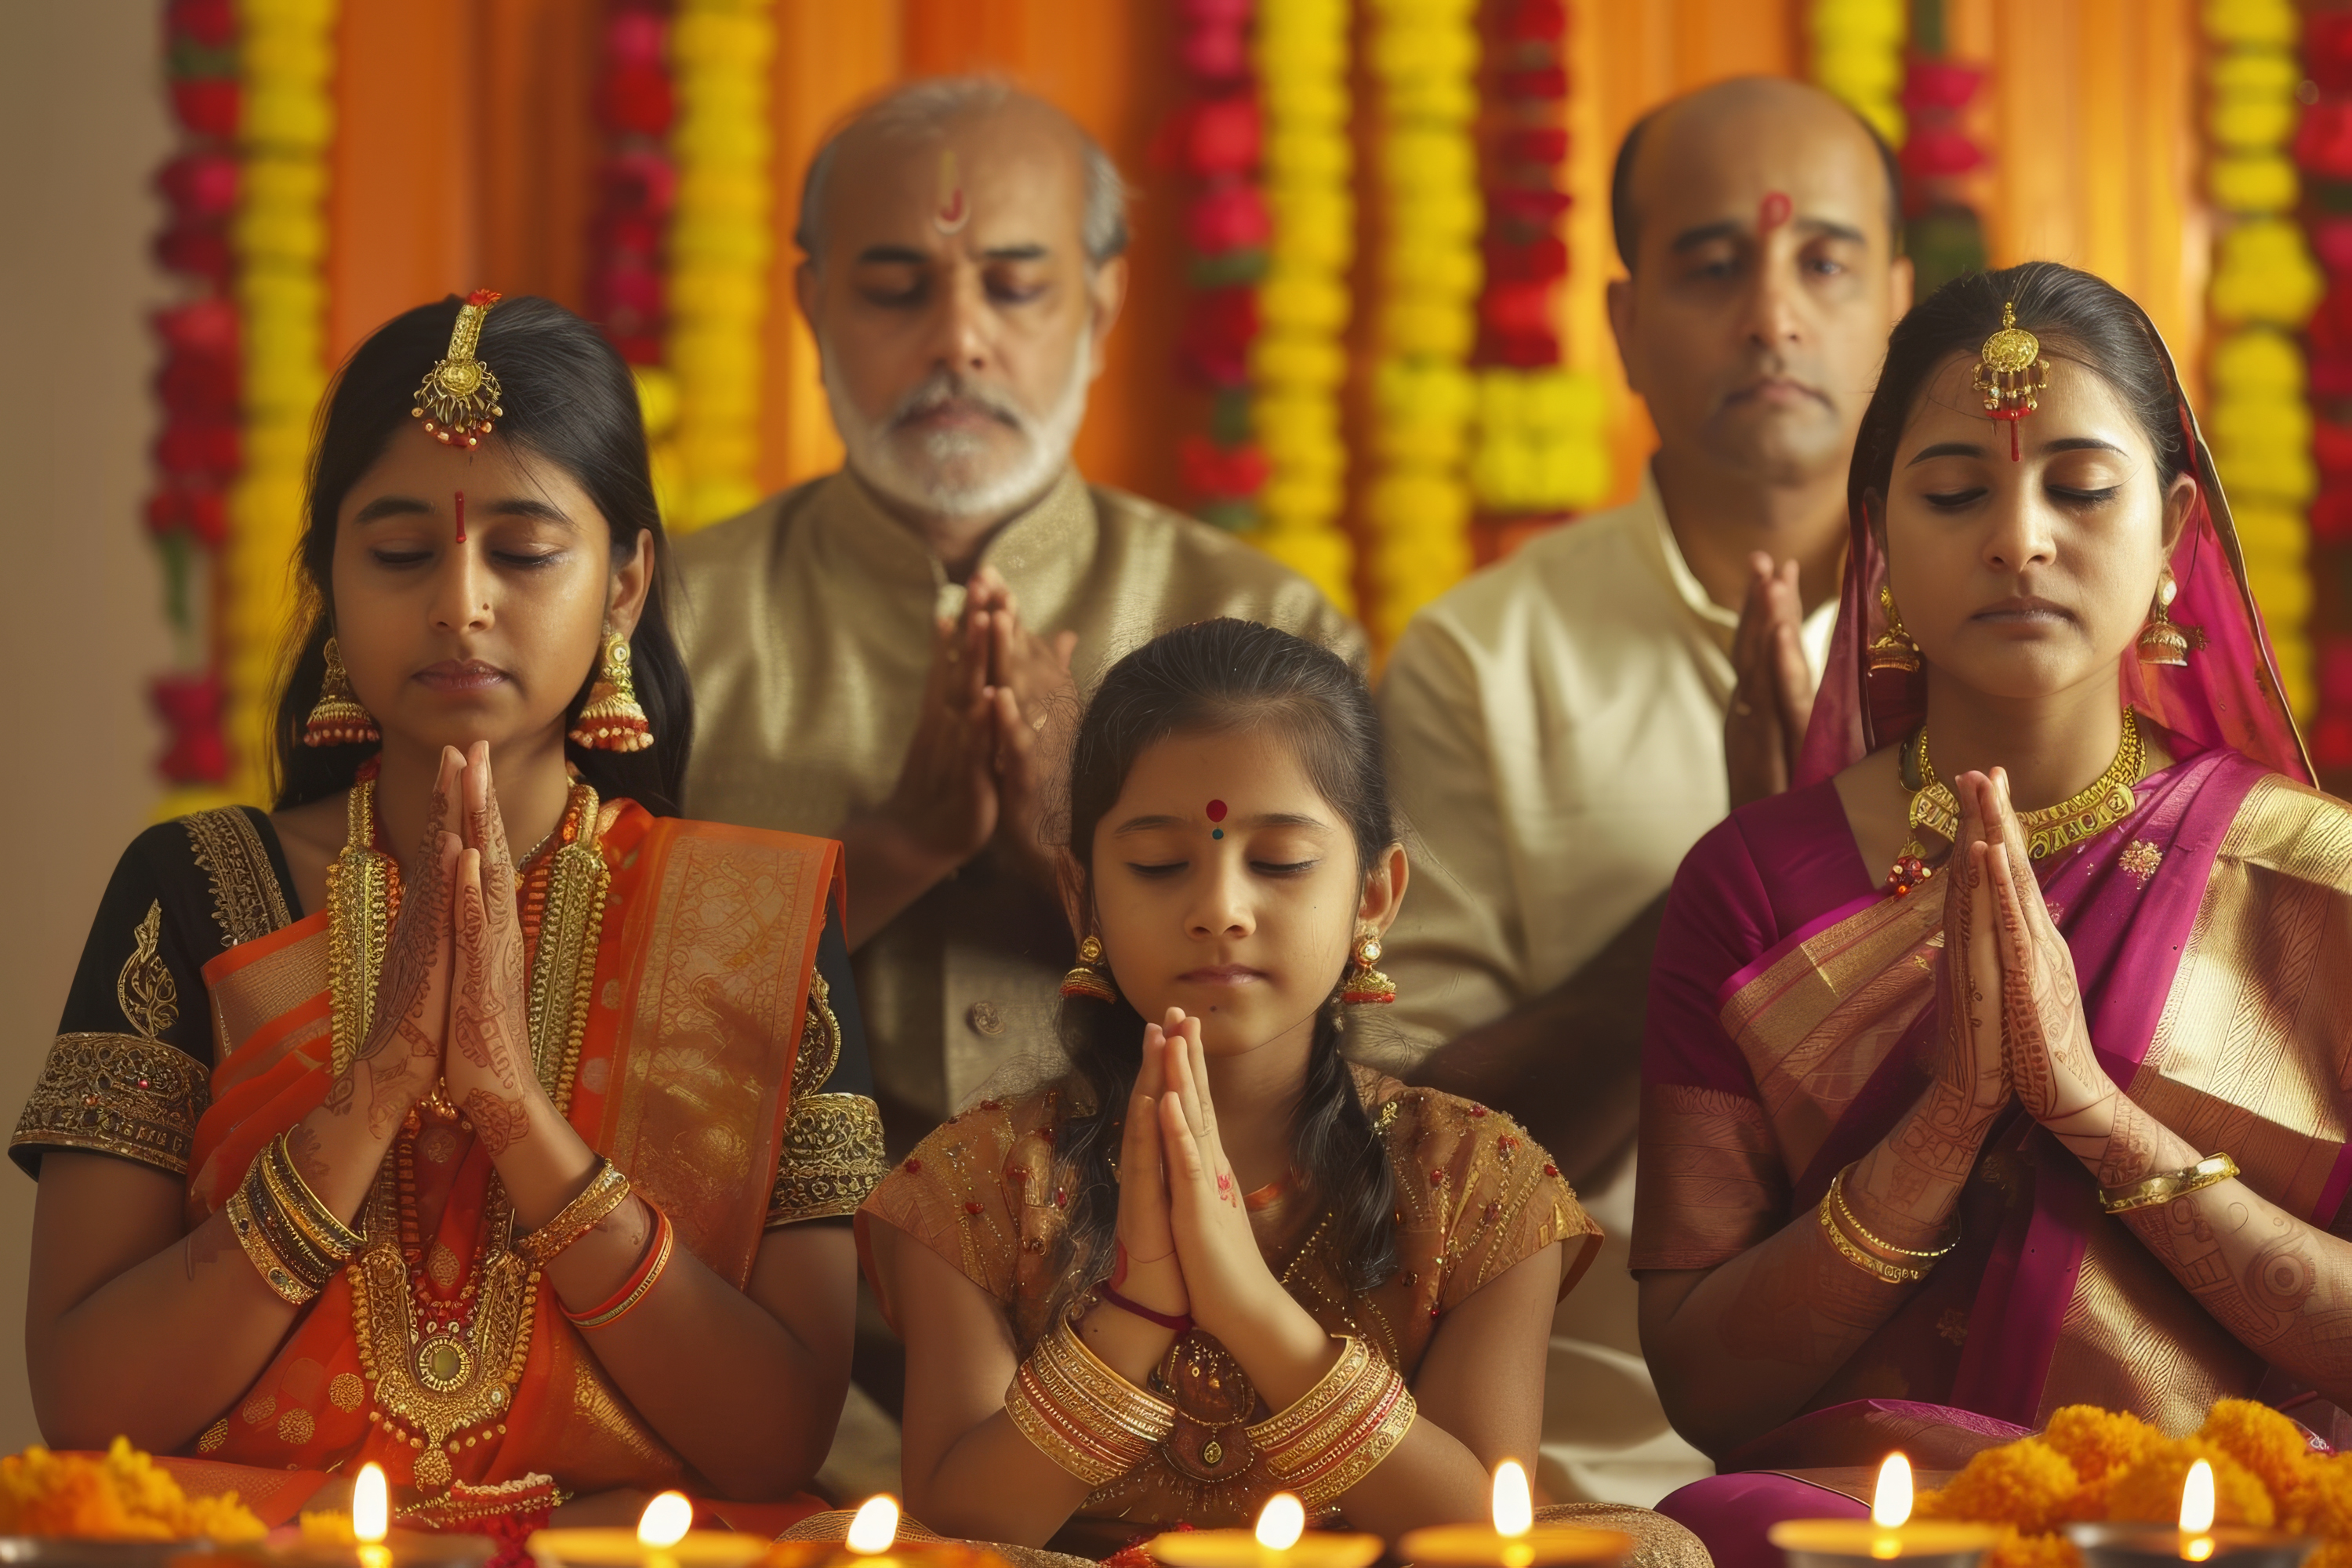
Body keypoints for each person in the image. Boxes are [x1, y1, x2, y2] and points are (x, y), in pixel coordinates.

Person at [15, 295, 885, 1530]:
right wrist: (369, 1099)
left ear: (627, 581)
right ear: (328, 575)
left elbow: (774, 1437)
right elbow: (87, 1403)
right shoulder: (193, 890)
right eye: (400, 550)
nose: (461, 604)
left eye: (524, 554)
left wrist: (517, 1117)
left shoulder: (755, 921)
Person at [1635, 261, 2350, 1568]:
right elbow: (1707, 1394)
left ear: (2178, 531)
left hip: (2228, 1511)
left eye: (2080, 489)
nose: (2020, 538)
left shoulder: (2318, 879)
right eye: (1957, 492)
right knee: (1711, 1533)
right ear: (1881, 540)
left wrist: (2096, 1116)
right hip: (1881, 1522)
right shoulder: (1749, 883)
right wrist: (1943, 1132)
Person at [850, 619, 1698, 1561]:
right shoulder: (976, 1182)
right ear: (1082, 896)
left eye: (1281, 861)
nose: (1220, 907)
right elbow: (961, 1525)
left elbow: (1478, 1531)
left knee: (1657, 1553)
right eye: (1161, 863)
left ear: (1375, 894)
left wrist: (1249, 1306)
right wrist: (1134, 1311)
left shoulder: (1480, 1179)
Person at [1375, 75, 1915, 1502]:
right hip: (1597, 1465)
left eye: (1825, 262)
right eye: (1714, 263)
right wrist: (1737, 890)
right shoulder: (1483, 665)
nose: (1774, 315)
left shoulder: (2017, 632)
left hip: (1967, 1442)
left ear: (1899, 310)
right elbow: (1391, 1162)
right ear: (1622, 326)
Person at [672, 78, 1364, 1149]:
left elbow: (1343, 1061)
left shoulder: (1265, 627)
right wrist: (889, 855)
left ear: (1100, 307)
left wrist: (1072, 837)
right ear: (813, 309)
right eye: (899, 289)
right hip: (758, 1299)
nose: (959, 340)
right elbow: (592, 1027)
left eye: (1015, 287)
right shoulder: (669, 625)